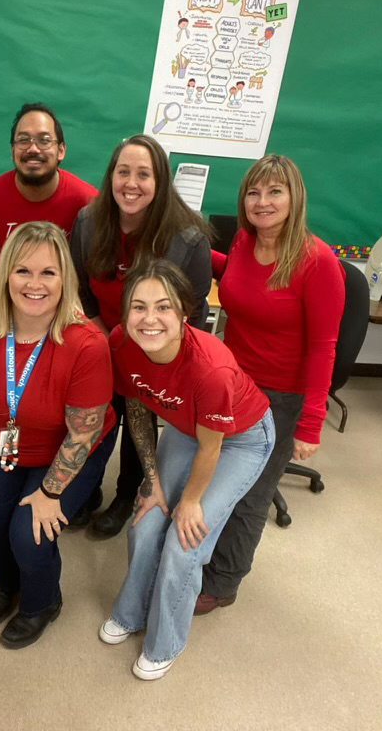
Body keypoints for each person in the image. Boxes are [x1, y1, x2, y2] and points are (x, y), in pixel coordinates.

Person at [98, 261, 273, 680]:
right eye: (138, 307)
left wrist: (189, 502)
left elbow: (211, 449)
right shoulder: (122, 342)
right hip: (185, 426)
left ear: (183, 314)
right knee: (145, 520)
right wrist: (153, 483)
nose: (150, 319)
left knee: (184, 541)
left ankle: (166, 642)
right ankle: (132, 611)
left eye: (163, 307)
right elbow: (138, 406)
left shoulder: (209, 368)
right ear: (124, 315)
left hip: (239, 440)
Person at [0, 222, 116, 649]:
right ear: (5, 274)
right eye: (23, 271)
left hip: (73, 449)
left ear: (65, 280)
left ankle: (41, 602)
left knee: (31, 533)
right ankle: (7, 584)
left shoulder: (86, 344)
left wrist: (50, 493)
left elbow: (83, 433)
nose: (35, 284)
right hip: (7, 441)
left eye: (48, 273)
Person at [197, 153, 344, 615]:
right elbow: (235, 274)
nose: (262, 202)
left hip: (281, 398)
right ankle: (203, 557)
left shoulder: (317, 262)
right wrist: (191, 247)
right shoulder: (244, 242)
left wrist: (311, 425)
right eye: (254, 192)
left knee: (251, 495)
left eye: (274, 191)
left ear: (294, 196)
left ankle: (223, 584)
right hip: (235, 381)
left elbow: (324, 348)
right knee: (217, 477)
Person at [70, 133, 212, 537]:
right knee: (93, 421)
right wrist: (102, 340)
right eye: (123, 172)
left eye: (144, 175)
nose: (131, 184)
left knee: (138, 431)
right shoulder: (88, 222)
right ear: (110, 176)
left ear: (160, 182)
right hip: (100, 343)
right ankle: (86, 490)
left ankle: (125, 496)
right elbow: (79, 288)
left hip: (152, 354)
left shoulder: (187, 240)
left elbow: (194, 312)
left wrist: (151, 356)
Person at [0, 103, 97, 267]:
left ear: (61, 151)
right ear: (13, 151)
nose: (33, 148)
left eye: (44, 140)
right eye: (23, 140)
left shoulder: (88, 203)